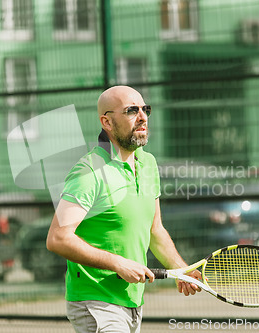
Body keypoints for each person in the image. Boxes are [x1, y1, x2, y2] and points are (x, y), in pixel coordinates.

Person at [46, 85, 201, 333]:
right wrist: (117, 263)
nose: (143, 117)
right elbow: (57, 238)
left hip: (132, 302)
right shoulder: (89, 171)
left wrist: (180, 269)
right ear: (106, 122)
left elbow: (155, 230)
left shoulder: (148, 163)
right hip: (96, 300)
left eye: (145, 109)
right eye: (131, 111)